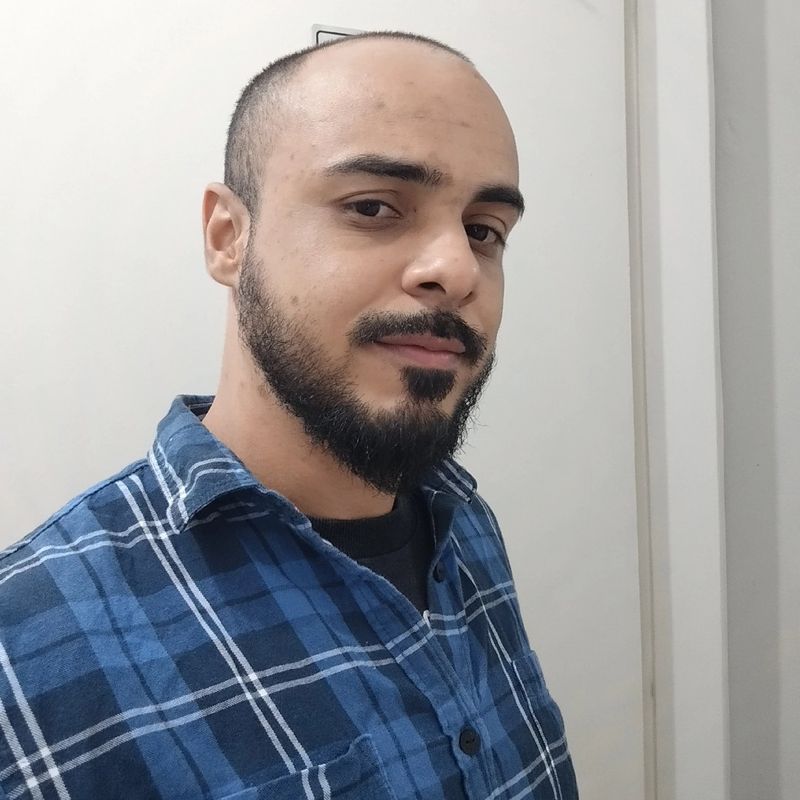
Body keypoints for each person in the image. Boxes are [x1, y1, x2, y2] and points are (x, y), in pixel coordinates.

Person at [0, 31, 578, 800]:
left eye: (484, 231)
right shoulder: (25, 654)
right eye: (373, 207)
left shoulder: (465, 527)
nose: (457, 269)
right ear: (227, 237)